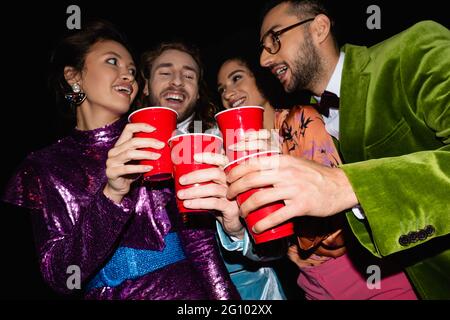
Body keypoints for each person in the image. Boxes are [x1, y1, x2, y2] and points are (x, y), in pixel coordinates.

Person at [226, 0, 450, 299]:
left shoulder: (412, 49)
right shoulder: (309, 120)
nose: (265, 59)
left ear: (319, 28)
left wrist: (345, 185)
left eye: (274, 40)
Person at [2, 20, 239, 300]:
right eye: (112, 62)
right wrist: (111, 195)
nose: (127, 75)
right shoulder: (44, 166)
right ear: (73, 76)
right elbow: (61, 277)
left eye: (131, 71)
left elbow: (201, 246)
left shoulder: (157, 140)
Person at [217, 55, 417, 300]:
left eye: (237, 78)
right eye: (221, 89)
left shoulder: (300, 120)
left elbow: (339, 221)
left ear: (260, 80)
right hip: (310, 282)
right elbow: (271, 245)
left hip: (361, 273)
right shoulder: (241, 153)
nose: (229, 92)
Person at [139, 41, 286, 300]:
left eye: (188, 75)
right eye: (165, 72)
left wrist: (237, 232)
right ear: (146, 85)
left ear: (197, 93)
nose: (177, 82)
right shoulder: (126, 152)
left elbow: (275, 247)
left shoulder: (227, 141)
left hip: (249, 291)